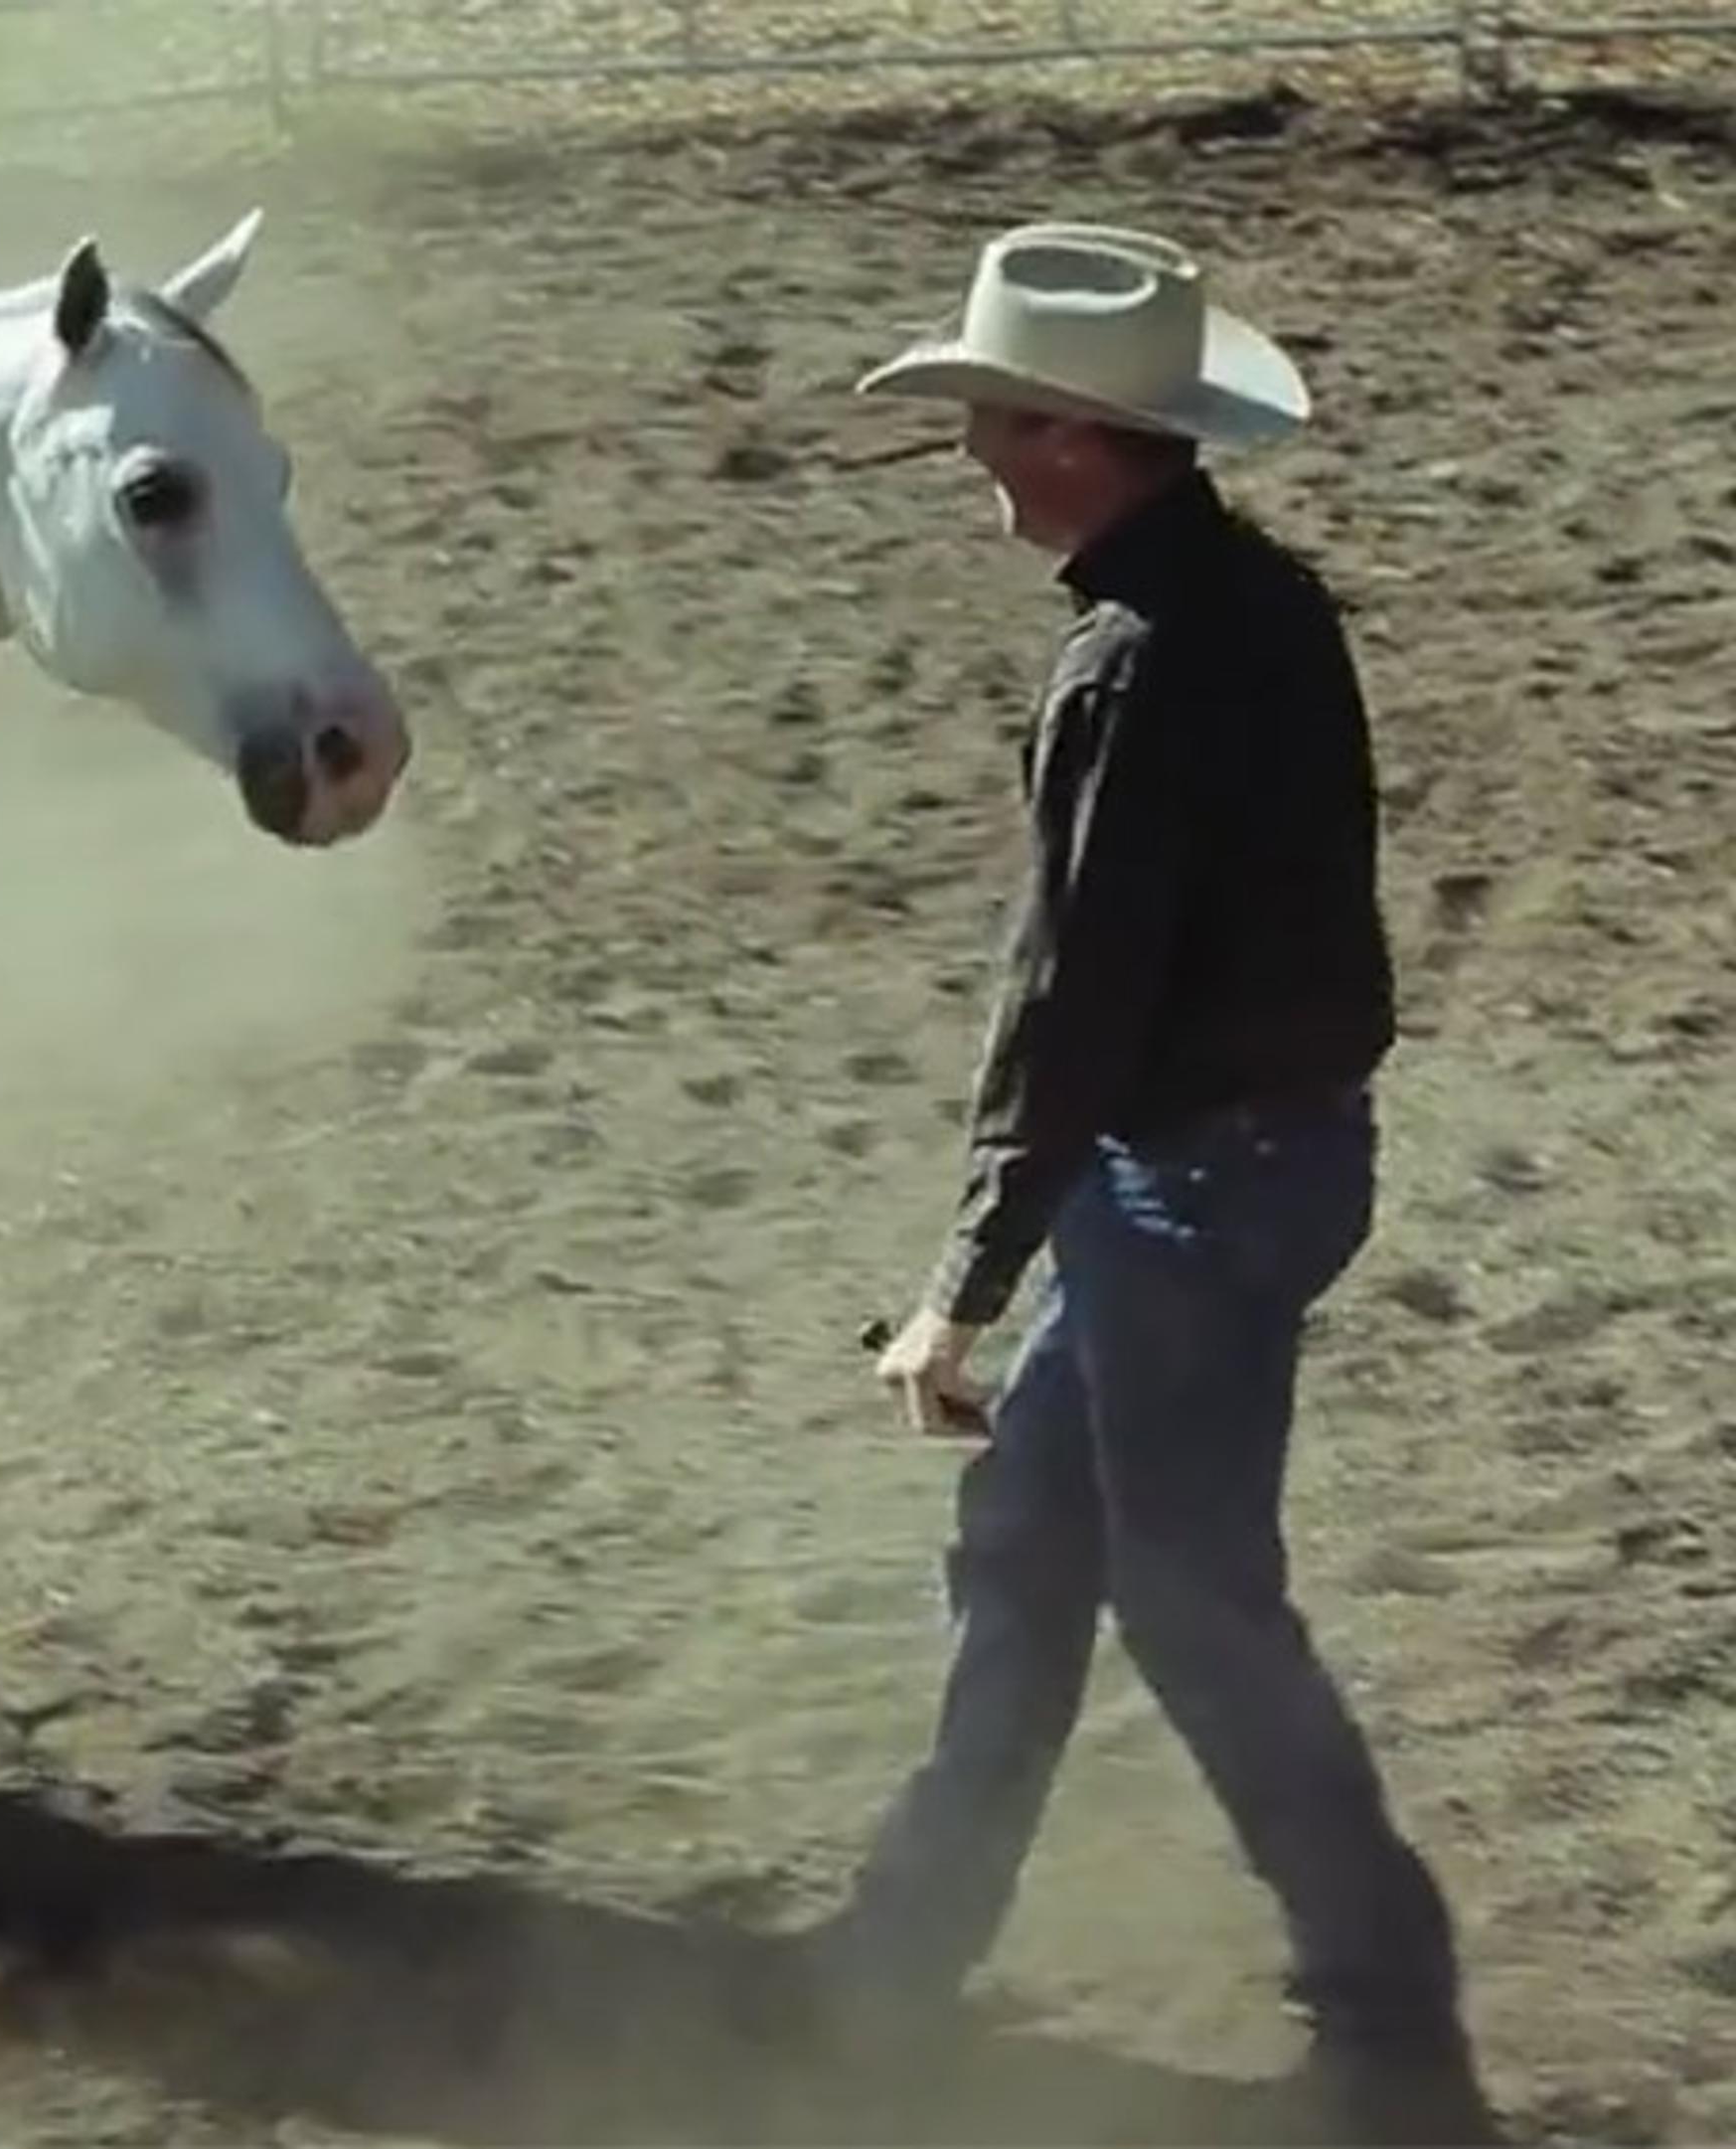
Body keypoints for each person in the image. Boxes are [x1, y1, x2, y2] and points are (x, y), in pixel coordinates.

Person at [814, 222, 1497, 2146]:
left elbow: (1076, 999)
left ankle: (1387, 2006)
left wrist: (964, 1283)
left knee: (1195, 1605)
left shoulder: (1126, 664)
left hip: (1185, 1189)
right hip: (1268, 1161)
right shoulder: (1266, 608)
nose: (977, 462)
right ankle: (894, 1954)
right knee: (1035, 1552)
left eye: (998, 424)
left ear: (1083, 442)